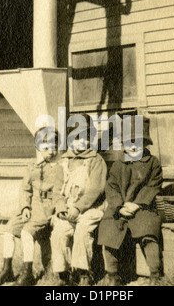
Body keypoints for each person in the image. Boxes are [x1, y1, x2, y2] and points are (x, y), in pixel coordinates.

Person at [0, 127, 64, 286]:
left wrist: (56, 212)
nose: (50, 152)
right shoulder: (32, 166)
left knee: (26, 232)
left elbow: (59, 194)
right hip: (31, 208)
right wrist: (25, 207)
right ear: (38, 148)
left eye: (54, 147)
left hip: (46, 209)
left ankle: (27, 272)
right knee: (9, 230)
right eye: (46, 148)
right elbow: (25, 188)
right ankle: (7, 270)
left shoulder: (58, 168)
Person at [97, 116, 164, 285]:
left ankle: (155, 274)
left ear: (145, 143)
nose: (133, 146)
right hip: (120, 207)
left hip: (143, 207)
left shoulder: (152, 163)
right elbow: (111, 187)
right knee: (108, 229)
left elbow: (153, 185)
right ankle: (113, 275)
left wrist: (137, 204)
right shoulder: (118, 164)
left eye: (138, 142)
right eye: (129, 142)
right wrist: (119, 206)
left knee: (148, 232)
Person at [50, 115, 107, 286]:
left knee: (82, 231)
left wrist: (78, 208)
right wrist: (61, 208)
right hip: (68, 208)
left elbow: (95, 189)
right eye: (76, 138)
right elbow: (56, 190)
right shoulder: (63, 162)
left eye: (85, 138)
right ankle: (64, 274)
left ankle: (83, 273)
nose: (81, 142)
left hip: (90, 208)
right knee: (59, 232)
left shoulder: (96, 160)